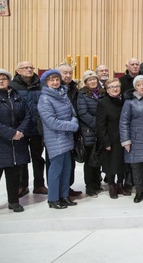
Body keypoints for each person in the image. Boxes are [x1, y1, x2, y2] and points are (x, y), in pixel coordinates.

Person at [0, 69, 31, 216]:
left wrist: (20, 131)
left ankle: (14, 201)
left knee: (14, 173)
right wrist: (12, 133)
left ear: (8, 80)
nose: (1, 81)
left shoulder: (16, 95)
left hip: (17, 141)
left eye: (3, 78)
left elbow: (27, 115)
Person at [38, 69, 79, 210]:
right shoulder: (44, 98)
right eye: (52, 80)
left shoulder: (63, 94)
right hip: (55, 138)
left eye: (57, 79)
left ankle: (64, 196)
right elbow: (51, 121)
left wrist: (73, 122)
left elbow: (73, 113)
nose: (55, 82)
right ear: (46, 82)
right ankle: (53, 199)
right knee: (56, 170)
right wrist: (72, 126)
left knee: (67, 169)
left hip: (66, 137)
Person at [9, 61, 47, 197]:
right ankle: (22, 185)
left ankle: (39, 185)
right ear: (18, 71)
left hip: (37, 128)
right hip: (20, 129)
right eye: (26, 68)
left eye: (31, 67)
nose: (29, 70)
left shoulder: (40, 84)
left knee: (38, 158)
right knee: (22, 159)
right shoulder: (12, 86)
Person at [119, 75, 143, 203]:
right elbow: (124, 122)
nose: (142, 87)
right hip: (135, 137)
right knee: (137, 166)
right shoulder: (130, 101)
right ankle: (139, 191)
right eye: (139, 85)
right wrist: (126, 140)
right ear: (135, 87)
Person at [96, 78, 128, 199]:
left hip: (123, 137)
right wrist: (105, 142)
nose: (115, 89)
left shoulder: (124, 101)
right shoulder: (103, 103)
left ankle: (121, 184)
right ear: (107, 90)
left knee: (122, 163)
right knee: (111, 164)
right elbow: (100, 125)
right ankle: (112, 186)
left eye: (117, 86)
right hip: (110, 137)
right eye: (111, 87)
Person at [76, 70, 105, 197]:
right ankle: (89, 186)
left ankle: (97, 183)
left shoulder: (103, 93)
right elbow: (83, 113)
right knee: (89, 161)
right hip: (89, 131)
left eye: (94, 79)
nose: (93, 81)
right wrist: (98, 124)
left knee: (97, 158)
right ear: (86, 82)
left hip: (101, 131)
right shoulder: (82, 94)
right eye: (89, 80)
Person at [58, 63, 82, 197]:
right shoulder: (52, 88)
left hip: (72, 129)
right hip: (57, 132)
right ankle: (57, 191)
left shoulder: (74, 88)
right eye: (64, 73)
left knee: (70, 163)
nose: (67, 76)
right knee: (57, 164)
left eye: (70, 73)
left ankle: (67, 187)